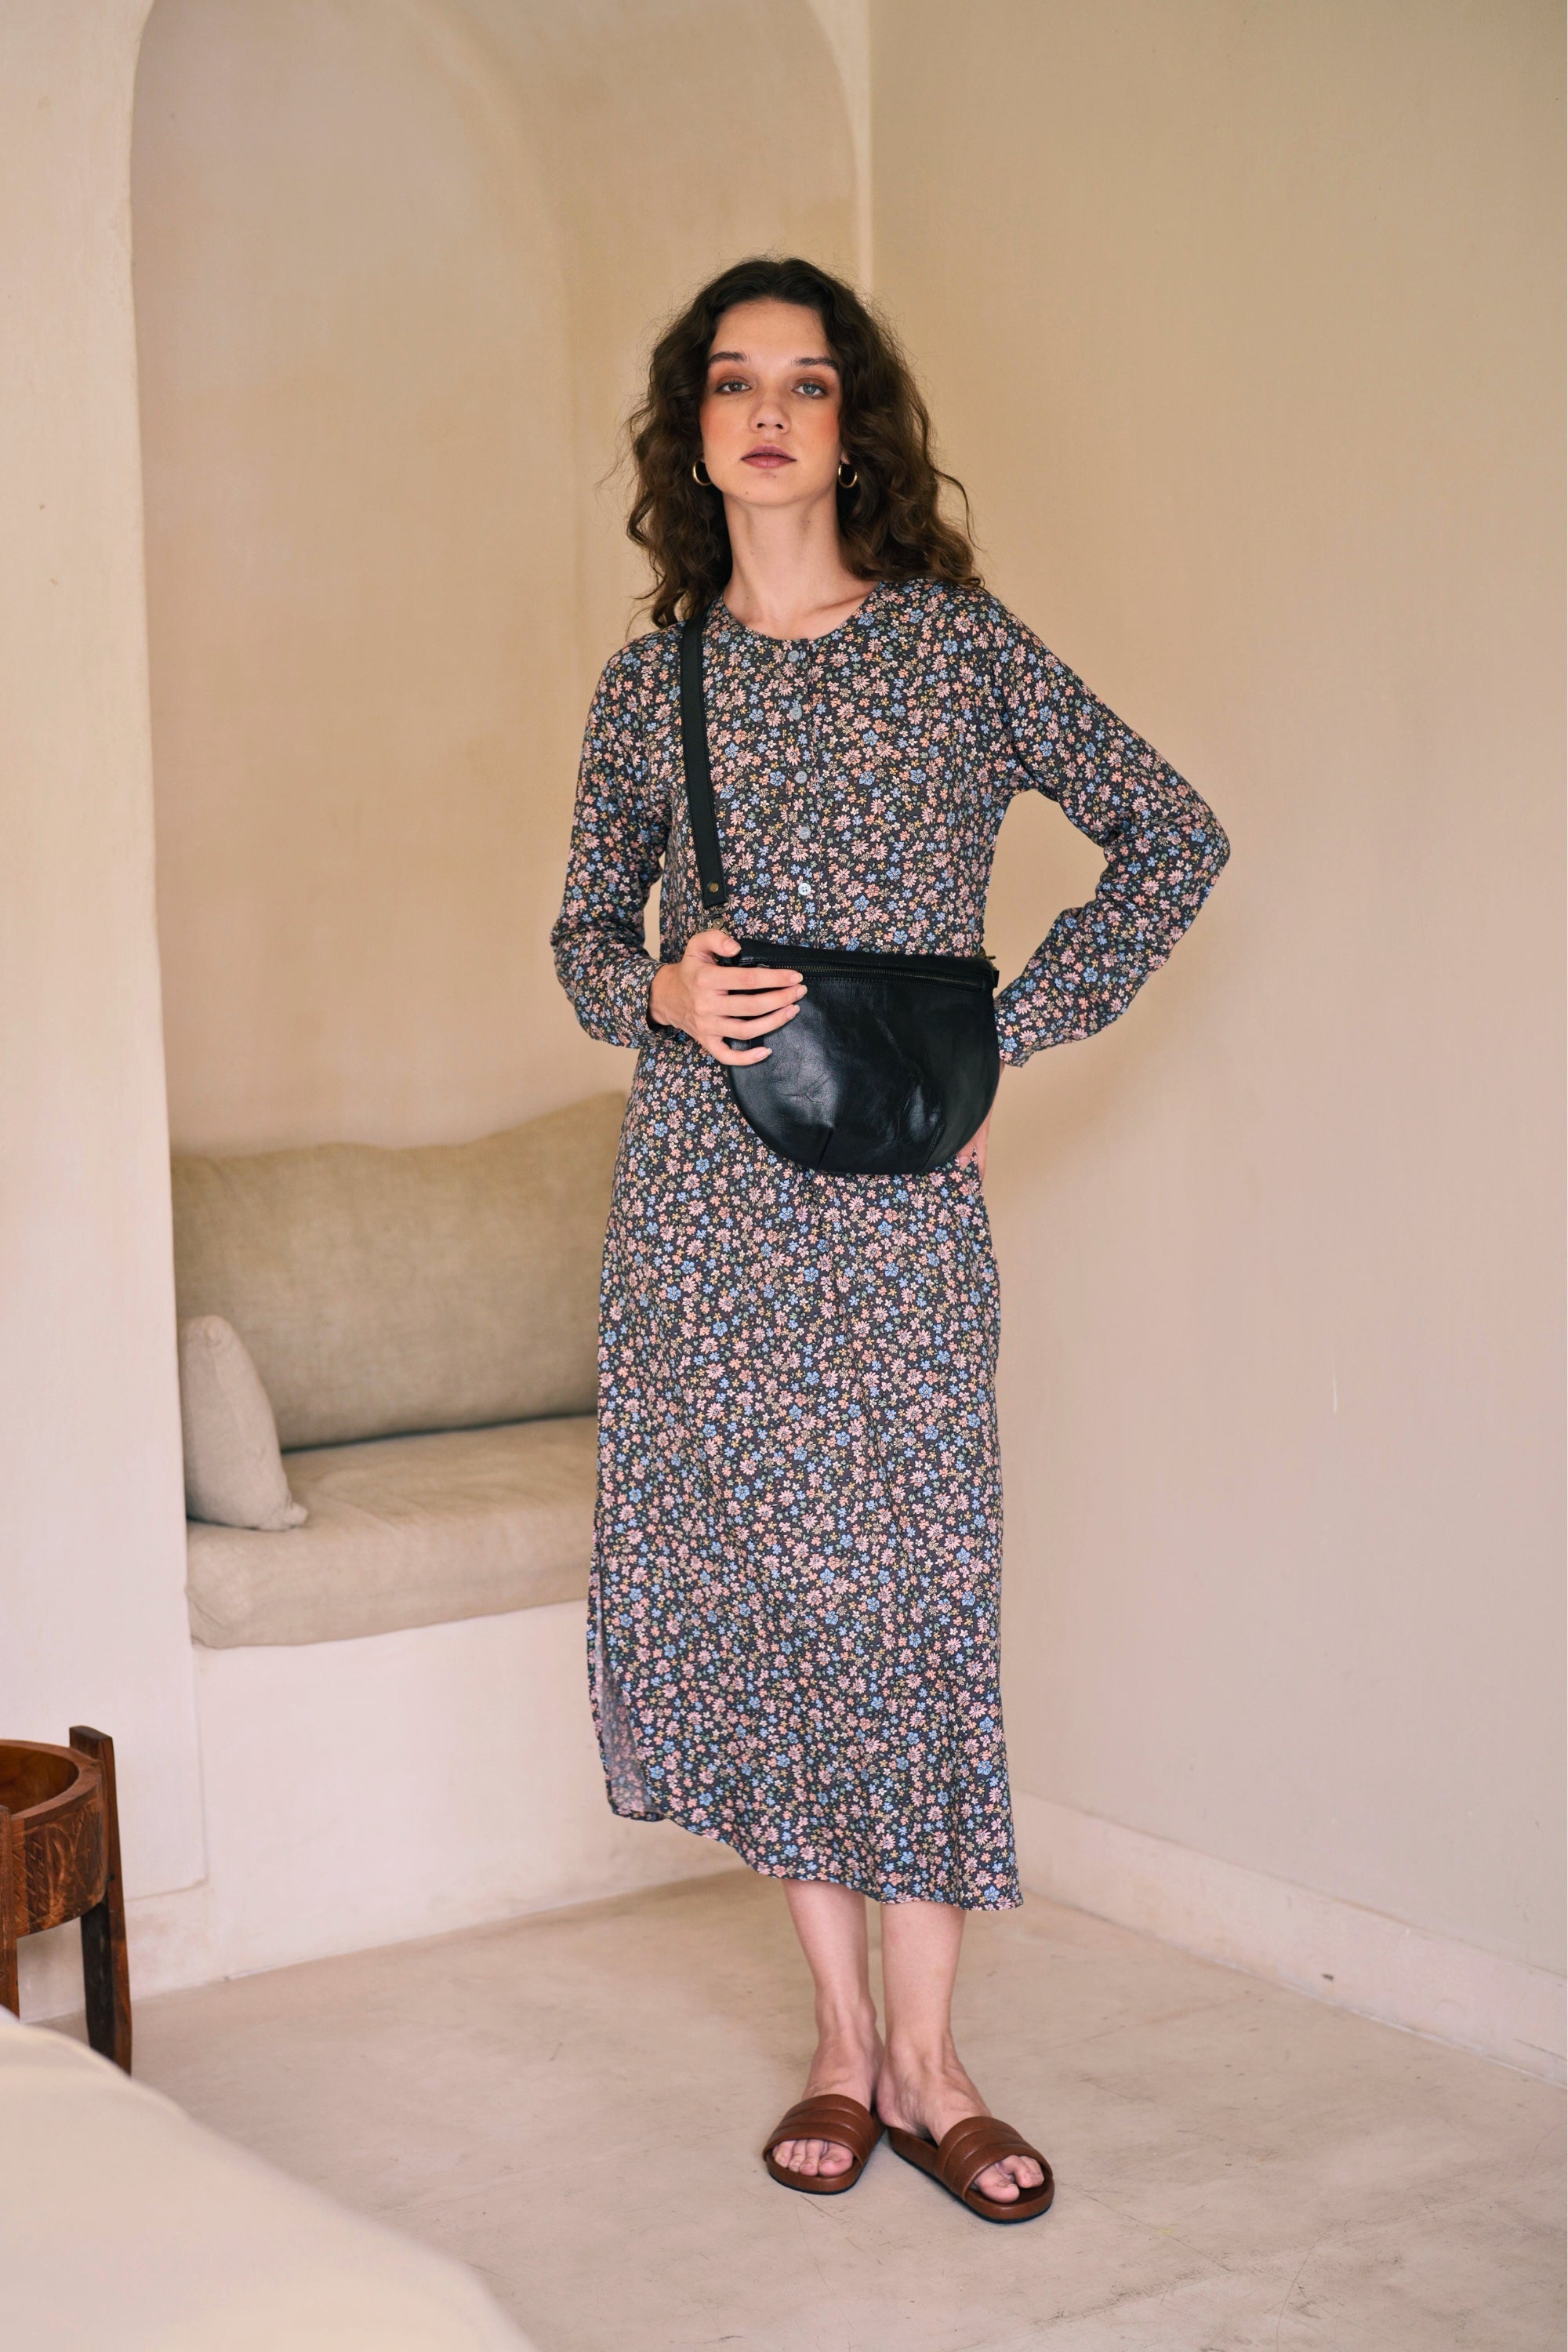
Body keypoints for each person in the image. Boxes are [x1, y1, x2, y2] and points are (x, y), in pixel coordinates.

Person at [551, 256, 1229, 2221]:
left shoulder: (955, 647)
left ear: (855, 425)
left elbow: (1171, 834)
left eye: (807, 380)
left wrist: (1009, 1034)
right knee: (775, 1600)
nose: (768, 410)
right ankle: (843, 2046)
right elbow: (582, 932)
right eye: (732, 381)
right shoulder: (651, 683)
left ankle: (937, 2067)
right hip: (702, 1202)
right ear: (693, 431)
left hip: (902, 1205)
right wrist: (655, 993)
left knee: (911, 1598)